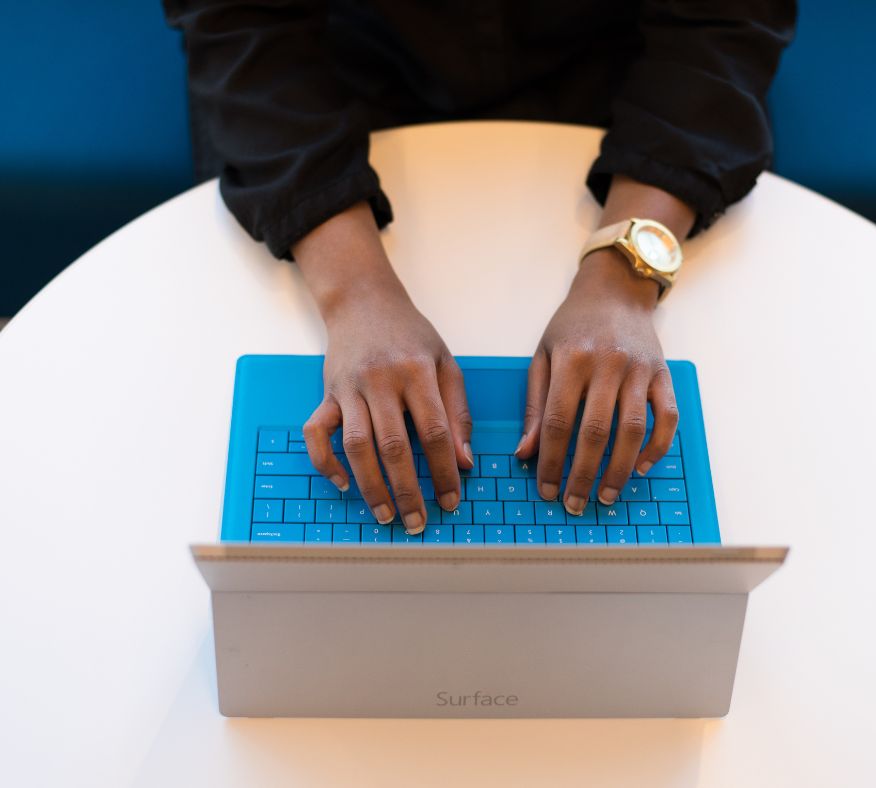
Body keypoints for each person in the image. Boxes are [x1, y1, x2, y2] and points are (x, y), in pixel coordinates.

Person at [164, 1, 795, 535]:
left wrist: (621, 279)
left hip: (633, 95)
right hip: (331, 96)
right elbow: (242, 21)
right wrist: (356, 292)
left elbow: (725, 20)